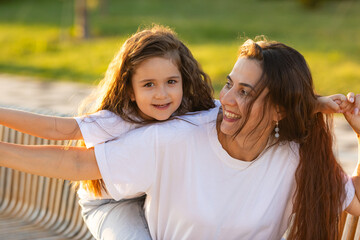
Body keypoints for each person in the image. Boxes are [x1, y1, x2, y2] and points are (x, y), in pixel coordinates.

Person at [0, 37, 359, 239]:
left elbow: (354, 202)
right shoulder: (170, 136)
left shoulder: (295, 159)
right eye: (229, 84)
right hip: (113, 197)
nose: (228, 101)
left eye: (245, 92)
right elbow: (73, 157)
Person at [0, 25, 215, 240]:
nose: (162, 94)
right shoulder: (118, 119)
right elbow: (56, 129)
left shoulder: (190, 110)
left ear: (183, 81)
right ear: (130, 91)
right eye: (149, 85)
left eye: (171, 82)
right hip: (112, 203)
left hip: (152, 196)